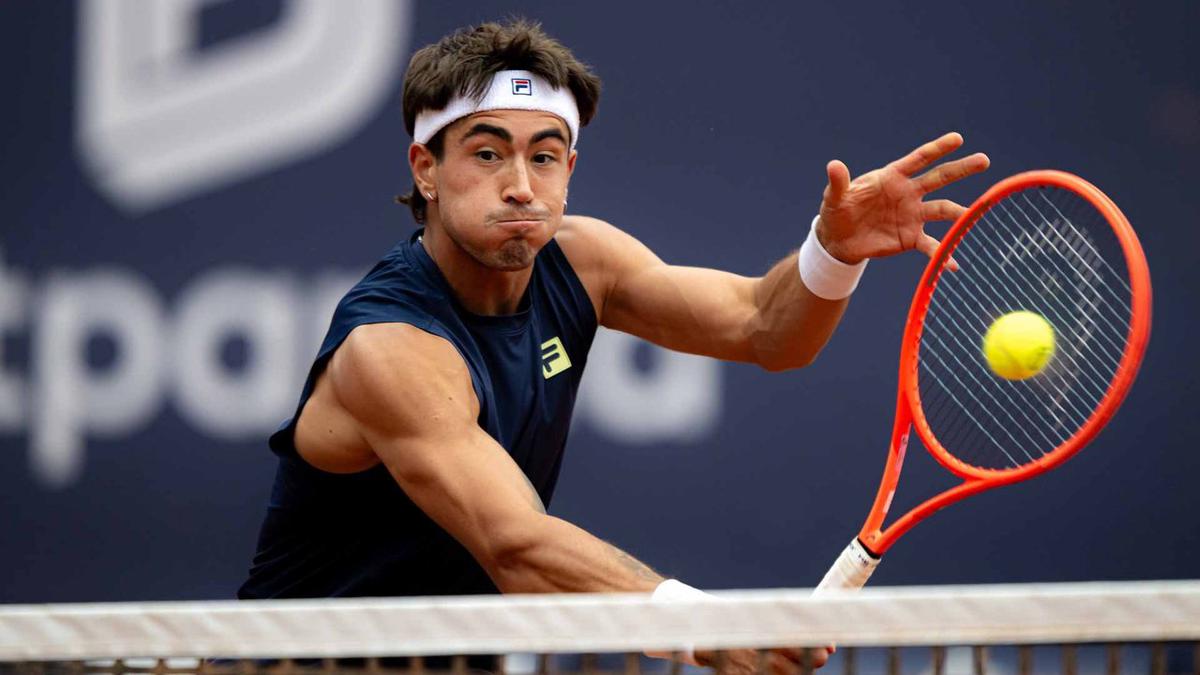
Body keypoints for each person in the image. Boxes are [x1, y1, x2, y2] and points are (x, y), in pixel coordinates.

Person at [238, 19, 988, 672]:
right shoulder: (390, 345)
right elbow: (516, 544)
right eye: (488, 154)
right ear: (426, 169)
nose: (521, 185)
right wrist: (715, 633)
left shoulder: (582, 260)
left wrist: (833, 251)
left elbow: (766, 327)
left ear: (569, 169)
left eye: (544, 156)